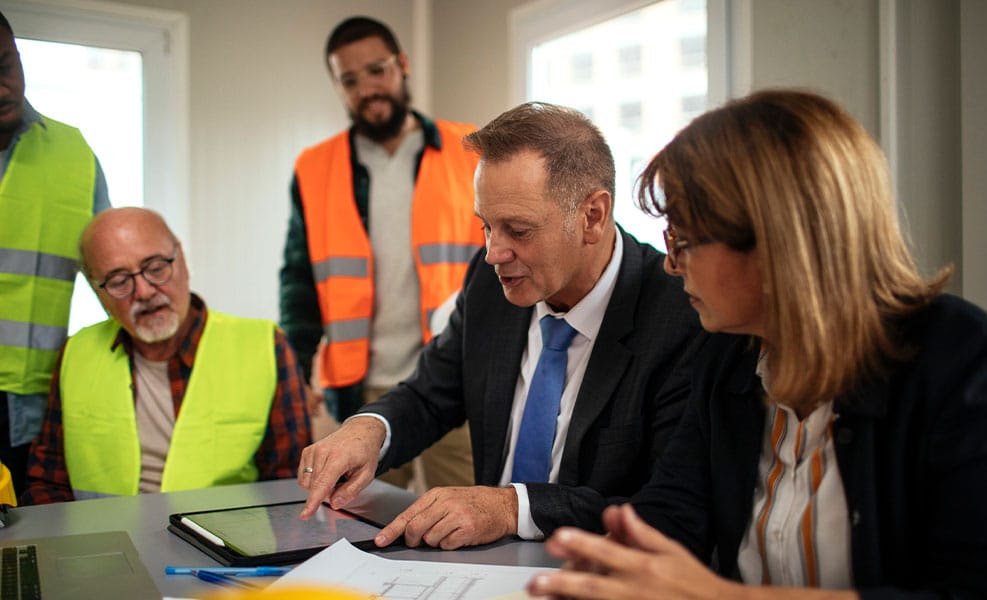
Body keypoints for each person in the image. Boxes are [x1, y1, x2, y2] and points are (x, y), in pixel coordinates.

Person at [526, 89, 987, 598]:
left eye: (683, 241)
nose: (670, 263)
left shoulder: (960, 360)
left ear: (777, 242)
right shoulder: (725, 355)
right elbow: (671, 515)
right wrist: (613, 563)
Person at [297, 101, 706, 550]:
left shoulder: (680, 317)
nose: (494, 252)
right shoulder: (491, 283)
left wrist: (511, 507)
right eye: (487, 227)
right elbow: (430, 392)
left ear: (592, 216)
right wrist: (370, 428)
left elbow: (668, 509)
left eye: (518, 230)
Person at [279, 15, 482, 492]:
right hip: (362, 392)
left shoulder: (468, 150)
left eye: (377, 70)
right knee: (361, 527)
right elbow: (298, 283)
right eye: (350, 80)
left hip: (455, 382)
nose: (367, 88)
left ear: (402, 65)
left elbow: (499, 261)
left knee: (471, 523)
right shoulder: (315, 168)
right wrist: (296, 375)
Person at [22, 207, 311, 503]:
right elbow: (48, 480)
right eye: (119, 281)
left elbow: (288, 486)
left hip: (222, 544)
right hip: (99, 542)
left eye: (156, 267)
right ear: (98, 293)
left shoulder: (265, 345)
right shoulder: (76, 352)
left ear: (182, 260)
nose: (145, 292)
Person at [0, 10, 110, 498]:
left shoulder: (72, 151)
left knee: (27, 543)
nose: (2, 88)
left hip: (33, 402)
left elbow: (113, 271)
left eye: (6, 66)